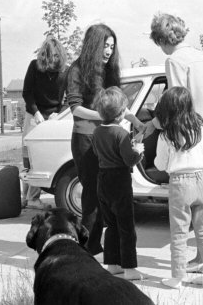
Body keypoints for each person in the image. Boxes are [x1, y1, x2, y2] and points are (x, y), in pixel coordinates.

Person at [146, 12, 203, 272]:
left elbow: (176, 104)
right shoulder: (202, 56)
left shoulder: (174, 61)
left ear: (161, 40)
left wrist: (154, 123)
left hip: (192, 132)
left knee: (194, 199)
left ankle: (202, 258)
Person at [66, 23, 144, 255]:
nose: (109, 51)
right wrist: (104, 116)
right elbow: (75, 108)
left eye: (112, 46)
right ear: (93, 45)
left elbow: (119, 105)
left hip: (107, 137)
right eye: (105, 45)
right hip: (86, 140)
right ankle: (86, 247)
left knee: (105, 195)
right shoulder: (77, 69)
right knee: (92, 194)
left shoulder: (110, 70)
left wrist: (135, 119)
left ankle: (93, 244)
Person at [154, 86, 203, 289]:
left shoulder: (166, 135)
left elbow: (160, 164)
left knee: (179, 232)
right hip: (200, 180)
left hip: (179, 183)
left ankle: (177, 276)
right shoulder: (200, 128)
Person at [92, 86, 146, 280]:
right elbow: (129, 160)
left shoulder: (97, 132)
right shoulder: (121, 134)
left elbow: (98, 153)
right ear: (121, 113)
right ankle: (130, 268)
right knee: (126, 226)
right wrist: (138, 150)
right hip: (120, 181)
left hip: (103, 179)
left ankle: (112, 264)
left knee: (111, 226)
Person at [22, 35, 68, 210]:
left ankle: (33, 198)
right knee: (28, 157)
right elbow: (27, 93)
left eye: (56, 57)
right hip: (34, 114)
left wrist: (59, 113)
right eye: (50, 58)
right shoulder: (34, 67)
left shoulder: (66, 71)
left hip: (54, 116)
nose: (53, 61)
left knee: (40, 157)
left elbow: (69, 97)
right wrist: (36, 112)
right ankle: (24, 198)